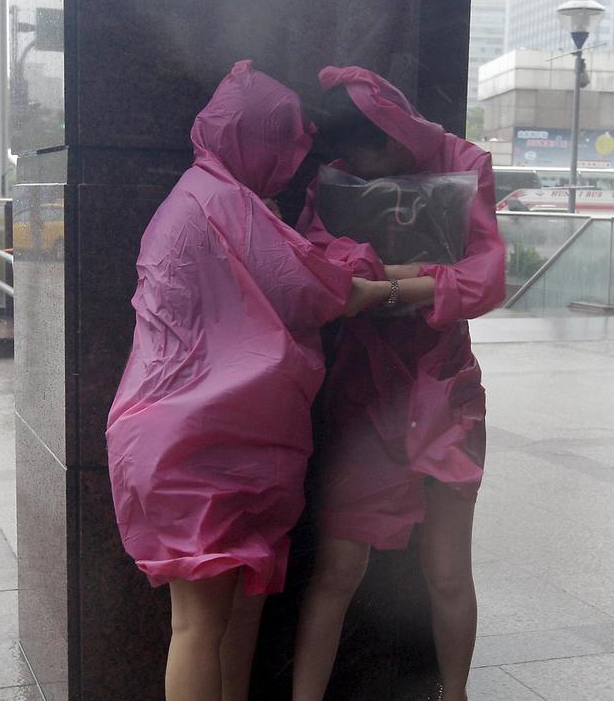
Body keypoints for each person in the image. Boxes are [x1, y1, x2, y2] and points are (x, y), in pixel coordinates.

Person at [105, 60, 390, 701]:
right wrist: (395, 282)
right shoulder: (227, 203)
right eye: (284, 144)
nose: (289, 164)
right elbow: (317, 289)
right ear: (256, 139)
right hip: (204, 444)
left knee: (216, 619)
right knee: (200, 626)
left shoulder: (198, 194)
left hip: (177, 436)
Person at [291, 66, 507, 701]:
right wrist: (430, 274)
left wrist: (384, 284)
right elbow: (315, 257)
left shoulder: (464, 162)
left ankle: (456, 694)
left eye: (372, 147)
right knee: (337, 568)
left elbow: (488, 278)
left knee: (446, 570)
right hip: (367, 394)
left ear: (392, 128)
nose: (364, 163)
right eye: (351, 153)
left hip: (445, 392)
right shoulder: (338, 174)